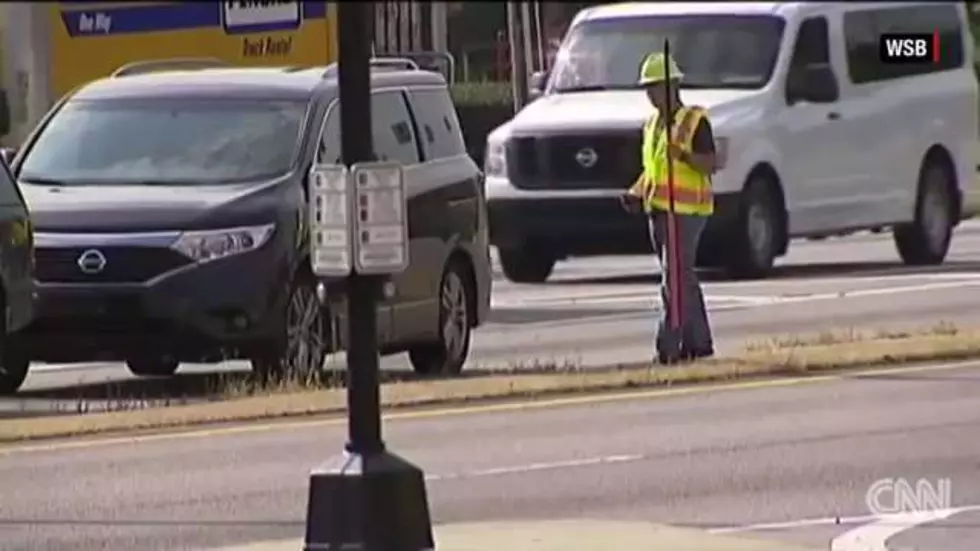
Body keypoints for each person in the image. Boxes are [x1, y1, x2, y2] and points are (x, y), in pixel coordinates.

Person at [620, 51, 718, 365]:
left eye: (656, 86)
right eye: (647, 88)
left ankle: (669, 347)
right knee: (682, 277)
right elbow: (653, 170)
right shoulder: (651, 126)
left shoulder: (694, 121)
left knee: (673, 278)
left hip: (687, 212)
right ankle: (699, 343)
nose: (651, 94)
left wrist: (685, 155)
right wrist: (636, 192)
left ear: (672, 85)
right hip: (659, 210)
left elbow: (710, 164)